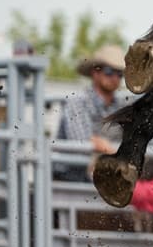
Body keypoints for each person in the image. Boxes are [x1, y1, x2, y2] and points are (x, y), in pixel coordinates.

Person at [54, 44, 127, 182]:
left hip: (104, 178)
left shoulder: (121, 106)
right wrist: (112, 150)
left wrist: (105, 146)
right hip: (70, 180)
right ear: (95, 72)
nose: (115, 78)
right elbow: (81, 144)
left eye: (120, 73)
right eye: (109, 71)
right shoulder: (77, 102)